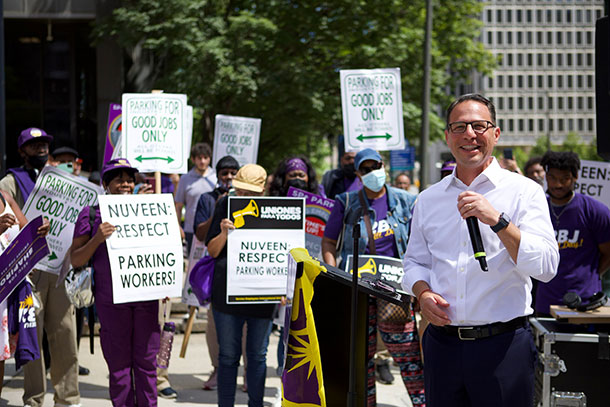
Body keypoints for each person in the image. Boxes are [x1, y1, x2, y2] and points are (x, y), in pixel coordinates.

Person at [402, 93, 559, 407]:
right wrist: (422, 293)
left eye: (478, 126)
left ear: (496, 133)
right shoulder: (429, 199)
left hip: (503, 347)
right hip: (442, 346)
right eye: (459, 127)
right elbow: (414, 261)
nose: (469, 135)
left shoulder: (524, 191)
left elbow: (546, 266)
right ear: (447, 136)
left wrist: (499, 222)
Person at [321, 149, 424, 406]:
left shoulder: (406, 201)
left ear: (383, 166)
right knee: (359, 360)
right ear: (357, 173)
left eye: (375, 166)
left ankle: (421, 402)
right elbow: (329, 241)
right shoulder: (346, 202)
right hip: (357, 291)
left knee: (407, 354)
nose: (371, 173)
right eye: (364, 169)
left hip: (394, 291)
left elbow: (420, 244)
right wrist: (334, 276)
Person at [0, 128, 82, 407]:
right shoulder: (11, 181)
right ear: (22, 151)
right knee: (31, 334)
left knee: (65, 334)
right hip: (28, 272)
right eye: (33, 146)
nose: (40, 149)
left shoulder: (63, 179)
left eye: (44, 144)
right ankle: (34, 399)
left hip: (58, 268)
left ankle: (68, 398)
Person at [70, 158, 161, 406]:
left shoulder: (147, 211)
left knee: (147, 365)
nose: (125, 184)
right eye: (119, 179)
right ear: (105, 184)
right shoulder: (90, 214)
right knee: (120, 369)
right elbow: (75, 259)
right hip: (111, 303)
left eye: (129, 179)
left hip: (145, 301)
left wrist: (166, 281)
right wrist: (97, 238)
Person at [206, 164, 273, 407]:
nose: (245, 197)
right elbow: (212, 252)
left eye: (252, 193)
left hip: (262, 295)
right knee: (228, 356)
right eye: (241, 191)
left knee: (257, 356)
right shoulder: (224, 204)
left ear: (262, 191)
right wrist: (224, 233)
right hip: (227, 294)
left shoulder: (276, 210)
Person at [535, 151, 610, 315]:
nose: (558, 185)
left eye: (564, 179)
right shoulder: (536, 209)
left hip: (586, 304)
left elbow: (608, 252)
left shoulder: (595, 211)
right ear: (546, 176)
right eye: (553, 178)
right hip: (544, 302)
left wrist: (590, 276)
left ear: (575, 177)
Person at [192, 155, 244, 391]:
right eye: (225, 173)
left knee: (244, 328)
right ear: (218, 176)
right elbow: (201, 235)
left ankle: (245, 373)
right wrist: (220, 208)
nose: (229, 177)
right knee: (215, 325)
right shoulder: (207, 199)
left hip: (244, 272)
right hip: (219, 272)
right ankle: (217, 369)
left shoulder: (248, 200)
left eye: (234, 173)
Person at [0, 190, 48, 397]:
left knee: (0, 356)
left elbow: (28, 231)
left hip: (5, 291)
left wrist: (42, 228)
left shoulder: (4, 196)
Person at [175, 143, 217, 252]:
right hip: (190, 230)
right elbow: (178, 206)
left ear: (209, 159)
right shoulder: (185, 179)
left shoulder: (216, 178)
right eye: (199, 158)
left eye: (205, 158)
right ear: (193, 159)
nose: (202, 161)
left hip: (212, 229)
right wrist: (178, 227)